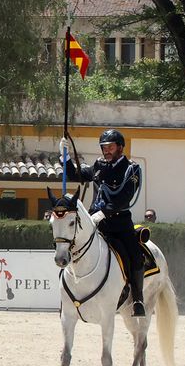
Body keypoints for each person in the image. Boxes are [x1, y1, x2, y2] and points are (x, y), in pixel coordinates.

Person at [61, 129, 147, 317]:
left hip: (119, 223)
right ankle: (68, 293)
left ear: (120, 147)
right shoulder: (99, 165)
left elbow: (125, 198)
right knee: (70, 245)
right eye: (104, 147)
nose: (106, 150)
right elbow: (76, 175)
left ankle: (138, 299)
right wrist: (65, 157)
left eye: (110, 147)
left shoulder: (132, 169)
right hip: (95, 222)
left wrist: (104, 212)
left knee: (135, 255)